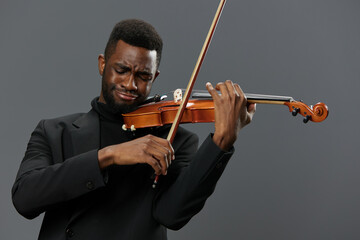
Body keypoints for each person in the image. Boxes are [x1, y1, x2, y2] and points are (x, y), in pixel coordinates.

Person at [12, 19, 256, 240]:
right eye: (121, 70)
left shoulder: (175, 140)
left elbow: (171, 215)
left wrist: (222, 141)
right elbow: (24, 198)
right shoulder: (54, 131)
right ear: (102, 64)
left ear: (154, 77)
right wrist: (110, 155)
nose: (130, 84)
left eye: (143, 76)